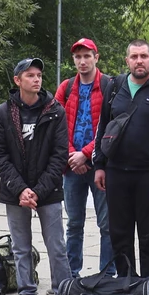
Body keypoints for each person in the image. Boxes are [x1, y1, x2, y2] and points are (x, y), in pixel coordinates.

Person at [0, 57, 72, 295]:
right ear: (17, 80)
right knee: (20, 247)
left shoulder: (55, 110)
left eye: (39, 75)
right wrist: (21, 189)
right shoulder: (2, 112)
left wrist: (38, 190)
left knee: (57, 246)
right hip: (16, 191)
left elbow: (59, 155)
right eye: (30, 75)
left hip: (47, 191)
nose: (37, 79)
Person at [93, 40, 149, 278]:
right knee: (120, 235)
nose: (139, 61)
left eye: (144, 56)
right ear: (127, 61)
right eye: (134, 56)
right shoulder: (114, 86)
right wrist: (99, 165)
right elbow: (102, 127)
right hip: (116, 174)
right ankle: (126, 287)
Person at [54, 38, 113, 277]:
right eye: (78, 57)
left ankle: (107, 275)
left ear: (96, 58)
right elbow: (54, 124)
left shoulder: (110, 85)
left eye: (87, 56)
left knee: (107, 226)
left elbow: (111, 127)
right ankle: (71, 274)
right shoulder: (66, 87)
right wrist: (71, 156)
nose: (82, 61)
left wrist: (86, 154)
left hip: (100, 167)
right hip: (71, 168)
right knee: (73, 225)